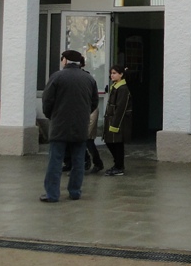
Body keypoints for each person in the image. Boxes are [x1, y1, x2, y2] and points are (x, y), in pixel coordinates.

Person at [40, 49, 99, 202]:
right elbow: (94, 103)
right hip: (80, 125)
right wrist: (83, 115)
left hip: (59, 125)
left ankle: (52, 194)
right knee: (78, 161)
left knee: (55, 160)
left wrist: (51, 116)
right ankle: (75, 192)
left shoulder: (57, 77)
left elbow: (47, 101)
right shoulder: (89, 79)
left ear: (65, 60)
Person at [103, 64, 132, 176]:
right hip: (112, 120)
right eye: (111, 73)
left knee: (117, 143)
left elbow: (121, 108)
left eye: (114, 73)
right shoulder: (115, 87)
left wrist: (115, 124)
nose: (112, 75)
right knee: (111, 142)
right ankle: (117, 164)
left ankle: (119, 166)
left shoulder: (123, 89)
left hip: (119, 122)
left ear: (121, 74)